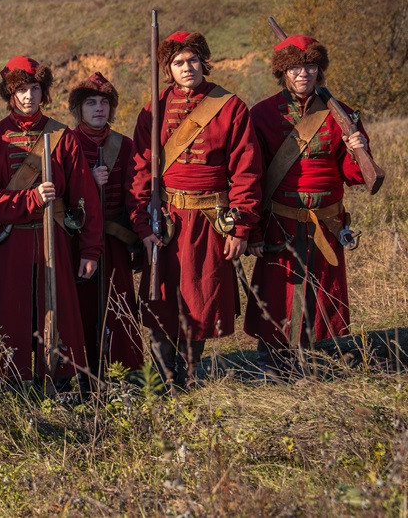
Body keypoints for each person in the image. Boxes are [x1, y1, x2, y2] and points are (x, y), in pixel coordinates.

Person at [130, 31, 262, 387]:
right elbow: (142, 170)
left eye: (192, 60)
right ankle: (163, 378)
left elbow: (246, 170)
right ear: (168, 69)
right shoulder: (152, 110)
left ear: (204, 61)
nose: (186, 68)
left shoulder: (230, 106)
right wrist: (143, 225)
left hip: (209, 220)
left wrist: (240, 227)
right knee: (161, 300)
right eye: (178, 63)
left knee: (200, 299)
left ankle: (188, 374)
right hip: (167, 219)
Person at [244, 34, 372, 376]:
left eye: (311, 66)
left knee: (322, 296)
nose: (304, 74)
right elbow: (250, 177)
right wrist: (253, 229)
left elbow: (354, 174)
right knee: (278, 295)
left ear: (320, 70)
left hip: (327, 224)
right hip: (280, 222)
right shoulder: (262, 114)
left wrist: (357, 147)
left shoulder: (339, 112)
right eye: (296, 67)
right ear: (283, 72)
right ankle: (272, 365)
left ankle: (317, 363)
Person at [0, 56, 101, 389]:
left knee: (56, 309)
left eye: (34, 88)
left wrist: (89, 249)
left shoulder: (62, 136)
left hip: (55, 239)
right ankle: (10, 382)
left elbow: (84, 197)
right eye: (21, 90)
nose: (28, 96)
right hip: (10, 241)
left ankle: (58, 381)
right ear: (10, 93)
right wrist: (30, 199)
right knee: (11, 312)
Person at [68, 72, 145, 376]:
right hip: (77, 240)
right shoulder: (66, 143)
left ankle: (122, 375)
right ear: (79, 109)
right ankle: (81, 373)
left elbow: (135, 191)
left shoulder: (124, 145)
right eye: (91, 103)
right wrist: (87, 179)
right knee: (81, 310)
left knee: (119, 306)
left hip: (115, 240)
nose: (99, 108)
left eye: (104, 102)